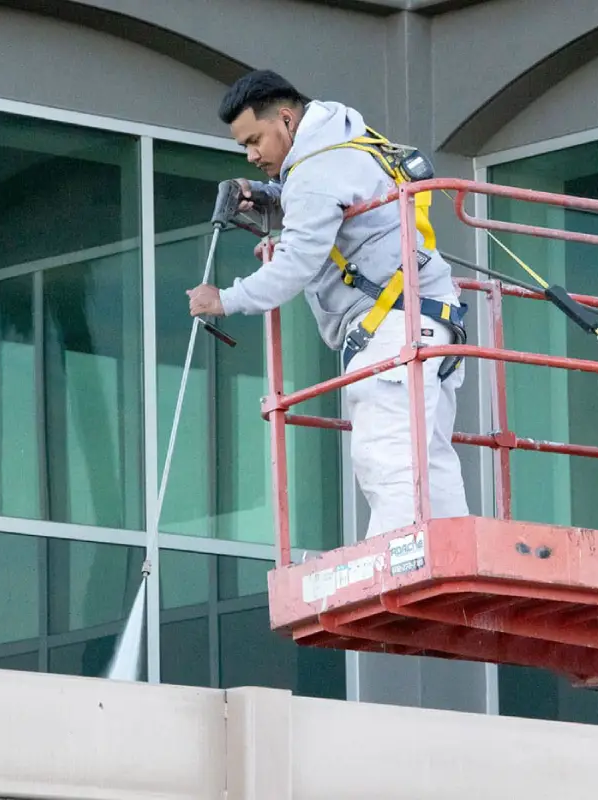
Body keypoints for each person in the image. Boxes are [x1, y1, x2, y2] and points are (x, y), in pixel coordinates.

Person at [186, 69, 468, 539]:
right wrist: (272, 199)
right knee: (429, 455)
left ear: (286, 118)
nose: (252, 155)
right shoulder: (345, 139)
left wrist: (226, 298)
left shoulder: (315, 171)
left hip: (394, 327)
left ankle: (399, 564)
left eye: (255, 140)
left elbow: (295, 263)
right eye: (244, 147)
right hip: (429, 317)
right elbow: (336, 204)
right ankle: (455, 561)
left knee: (387, 454)